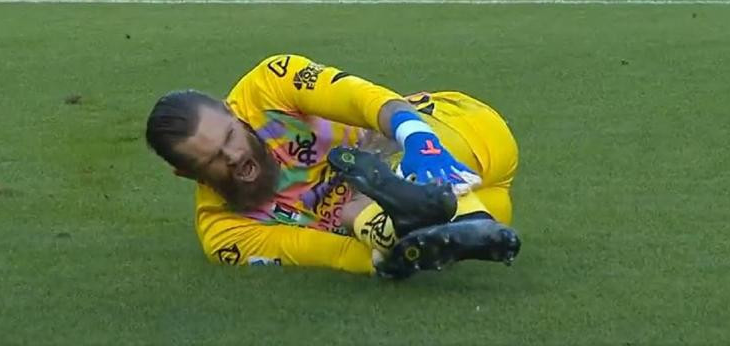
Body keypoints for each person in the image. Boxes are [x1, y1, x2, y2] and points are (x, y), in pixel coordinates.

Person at [144, 54, 521, 278]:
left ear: (231, 111)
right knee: (357, 215)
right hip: (487, 196)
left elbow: (363, 100)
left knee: (370, 165)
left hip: (461, 132)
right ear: (187, 174)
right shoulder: (226, 234)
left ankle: (420, 207)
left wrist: (420, 141)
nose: (233, 157)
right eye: (211, 159)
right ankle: (449, 224)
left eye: (229, 137)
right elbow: (331, 254)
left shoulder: (268, 86)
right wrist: (387, 260)